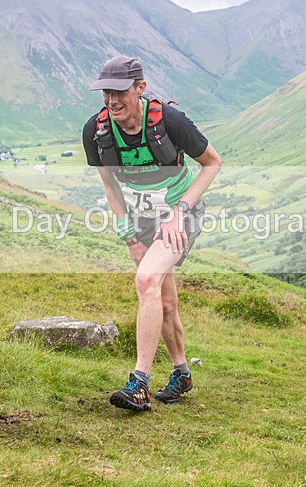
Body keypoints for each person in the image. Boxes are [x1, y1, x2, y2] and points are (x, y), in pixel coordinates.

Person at [82, 55, 222, 411]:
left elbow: (212, 164)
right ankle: (182, 373)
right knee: (163, 299)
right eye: (105, 93)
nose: (112, 100)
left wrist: (180, 212)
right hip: (141, 219)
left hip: (180, 213)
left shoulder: (170, 121)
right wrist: (126, 231)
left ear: (139, 88)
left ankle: (139, 384)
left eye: (119, 92)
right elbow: (108, 182)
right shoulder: (95, 131)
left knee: (146, 280)